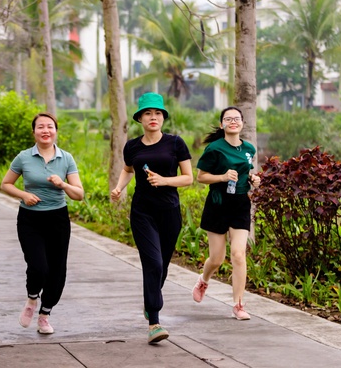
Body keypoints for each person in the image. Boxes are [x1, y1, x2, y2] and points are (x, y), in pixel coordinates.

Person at [110, 92, 193, 345]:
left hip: (169, 212)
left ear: (163, 117)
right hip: (142, 212)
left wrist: (165, 180)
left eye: (157, 113)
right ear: (140, 118)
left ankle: (151, 300)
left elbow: (188, 177)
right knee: (153, 264)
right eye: (148, 113)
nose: (153, 117)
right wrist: (119, 187)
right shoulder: (132, 146)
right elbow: (127, 170)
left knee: (163, 266)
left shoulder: (175, 143)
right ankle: (154, 322)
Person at [1, 113, 84, 335]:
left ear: (56, 131)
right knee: (38, 265)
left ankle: (45, 315)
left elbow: (79, 194)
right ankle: (31, 299)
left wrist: (63, 185)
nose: (45, 130)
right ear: (34, 132)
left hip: (58, 218)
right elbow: (6, 184)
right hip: (30, 219)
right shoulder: (24, 157)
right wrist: (23, 195)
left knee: (57, 270)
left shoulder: (66, 158)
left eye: (50, 127)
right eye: (40, 127)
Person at [192, 106, 261, 320]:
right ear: (222, 124)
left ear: (242, 123)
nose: (233, 121)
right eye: (228, 119)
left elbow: (246, 172)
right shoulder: (214, 148)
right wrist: (222, 177)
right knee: (217, 259)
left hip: (240, 203)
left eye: (237, 118)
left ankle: (238, 304)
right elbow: (201, 177)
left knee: (239, 254)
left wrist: (253, 179)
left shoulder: (249, 149)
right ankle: (204, 280)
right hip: (218, 203)